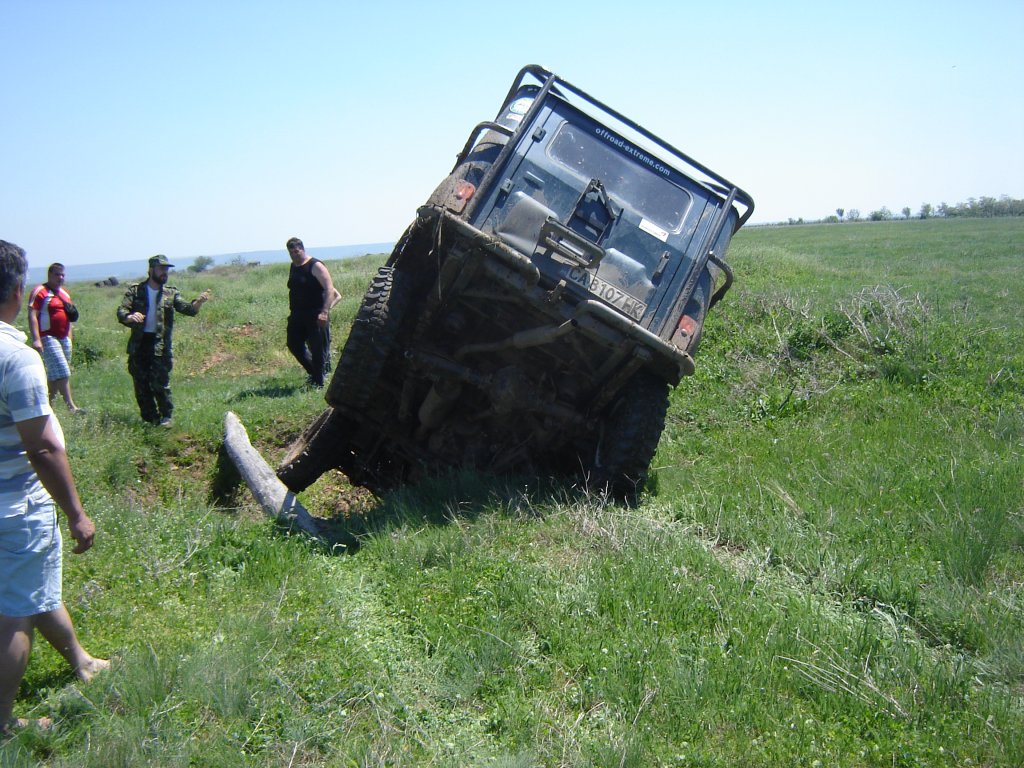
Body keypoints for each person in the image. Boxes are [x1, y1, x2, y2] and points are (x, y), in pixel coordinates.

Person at [0, 240, 108, 737]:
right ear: (20, 291)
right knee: (14, 614)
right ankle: (3, 724)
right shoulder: (15, 357)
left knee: (31, 586)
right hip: (14, 504)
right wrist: (76, 512)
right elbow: (42, 447)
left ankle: (81, 660)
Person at [116, 255, 210, 426]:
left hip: (160, 344)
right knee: (141, 384)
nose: (164, 273)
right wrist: (130, 316)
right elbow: (122, 310)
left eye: (166, 270)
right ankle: (151, 419)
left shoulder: (171, 293)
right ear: (151, 269)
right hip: (139, 343)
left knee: (160, 382)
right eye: (161, 269)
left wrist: (198, 303)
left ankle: (167, 417)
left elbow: (188, 309)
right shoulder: (135, 291)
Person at [27, 263, 83, 414]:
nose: (61, 278)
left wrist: (70, 339)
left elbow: (69, 317)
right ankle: (71, 407)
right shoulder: (40, 291)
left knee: (54, 374)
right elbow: (32, 315)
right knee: (63, 371)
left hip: (64, 338)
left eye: (63, 275)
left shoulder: (64, 293)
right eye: (57, 274)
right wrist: (36, 339)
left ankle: (47, 407)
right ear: (50, 275)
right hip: (47, 336)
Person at [285, 237, 337, 388]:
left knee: (317, 348)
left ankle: (318, 382)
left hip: (316, 314)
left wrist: (324, 312)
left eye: (296, 251)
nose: (294, 255)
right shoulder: (293, 266)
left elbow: (329, 289)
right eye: (291, 252)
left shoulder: (316, 265)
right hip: (296, 314)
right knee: (293, 344)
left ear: (302, 249)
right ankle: (315, 374)